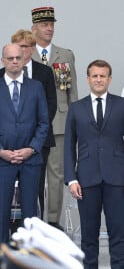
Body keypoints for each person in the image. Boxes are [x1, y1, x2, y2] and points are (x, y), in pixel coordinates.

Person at [0, 44, 49, 269]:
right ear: (2, 61)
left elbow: (43, 123)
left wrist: (32, 148)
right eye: (9, 58)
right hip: (2, 160)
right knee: (1, 209)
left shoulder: (36, 87)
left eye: (18, 58)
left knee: (30, 210)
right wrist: (0, 150)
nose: (14, 62)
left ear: (24, 59)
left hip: (31, 158)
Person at [64, 60, 124, 268]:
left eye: (103, 76)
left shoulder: (121, 105)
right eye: (95, 76)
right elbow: (68, 146)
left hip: (117, 179)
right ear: (88, 79)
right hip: (86, 179)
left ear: (109, 79)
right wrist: (71, 178)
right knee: (89, 237)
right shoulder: (76, 108)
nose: (99, 79)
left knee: (119, 234)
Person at [0, 29, 57, 221]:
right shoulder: (1, 73)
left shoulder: (45, 72)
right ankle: (12, 228)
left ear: (31, 50)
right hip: (9, 143)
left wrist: (33, 142)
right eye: (18, 46)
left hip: (38, 142)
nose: (21, 50)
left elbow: (50, 105)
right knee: (8, 191)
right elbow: (0, 107)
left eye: (25, 46)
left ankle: (34, 226)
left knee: (34, 187)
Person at [31, 6, 78, 230]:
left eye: (51, 25)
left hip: (59, 123)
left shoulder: (65, 55)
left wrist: (76, 122)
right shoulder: (25, 54)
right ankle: (34, 221)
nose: (49, 29)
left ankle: (52, 222)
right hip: (31, 125)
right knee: (33, 175)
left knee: (56, 176)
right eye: (44, 25)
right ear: (34, 28)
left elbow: (72, 92)